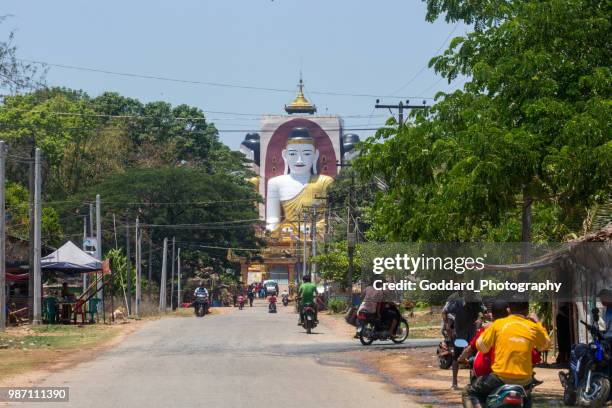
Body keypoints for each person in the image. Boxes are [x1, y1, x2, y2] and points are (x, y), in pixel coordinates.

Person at [465, 299, 550, 404]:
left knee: (469, 392)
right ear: (527, 311)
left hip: (499, 378)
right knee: (527, 398)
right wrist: (538, 323)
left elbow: (481, 347)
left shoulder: (497, 324)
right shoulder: (533, 327)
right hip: (525, 381)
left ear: (509, 310)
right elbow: (545, 345)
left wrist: (486, 330)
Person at [443, 292, 484, 389]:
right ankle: (454, 382)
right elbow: (444, 311)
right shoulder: (457, 304)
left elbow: (483, 313)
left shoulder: (477, 304)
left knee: (474, 358)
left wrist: (480, 320)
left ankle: (474, 382)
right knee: (456, 357)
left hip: (472, 336)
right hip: (460, 335)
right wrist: (447, 325)